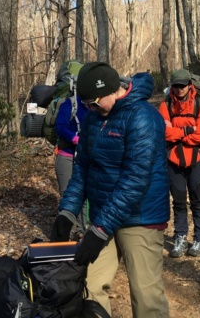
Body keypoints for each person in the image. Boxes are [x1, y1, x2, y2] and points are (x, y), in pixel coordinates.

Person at [50, 62, 170, 318]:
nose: (90, 109)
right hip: (104, 216)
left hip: (141, 216)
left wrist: (99, 230)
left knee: (145, 294)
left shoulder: (144, 117)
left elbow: (135, 181)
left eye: (94, 103)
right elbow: (82, 168)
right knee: (90, 286)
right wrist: (67, 212)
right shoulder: (94, 118)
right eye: (86, 105)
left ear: (112, 90)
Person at [158, 69, 200, 258]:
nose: (179, 89)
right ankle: (180, 237)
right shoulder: (165, 105)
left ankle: (199, 239)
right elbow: (163, 132)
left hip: (195, 159)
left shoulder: (199, 104)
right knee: (179, 201)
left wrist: (177, 133)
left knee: (197, 200)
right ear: (171, 86)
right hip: (173, 159)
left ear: (190, 86)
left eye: (182, 85)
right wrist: (189, 130)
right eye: (176, 86)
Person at [54, 94, 88, 238]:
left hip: (85, 156)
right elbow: (59, 127)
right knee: (67, 194)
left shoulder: (97, 107)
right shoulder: (70, 104)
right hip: (66, 155)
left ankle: (81, 231)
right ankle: (63, 234)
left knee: (85, 195)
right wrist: (74, 138)